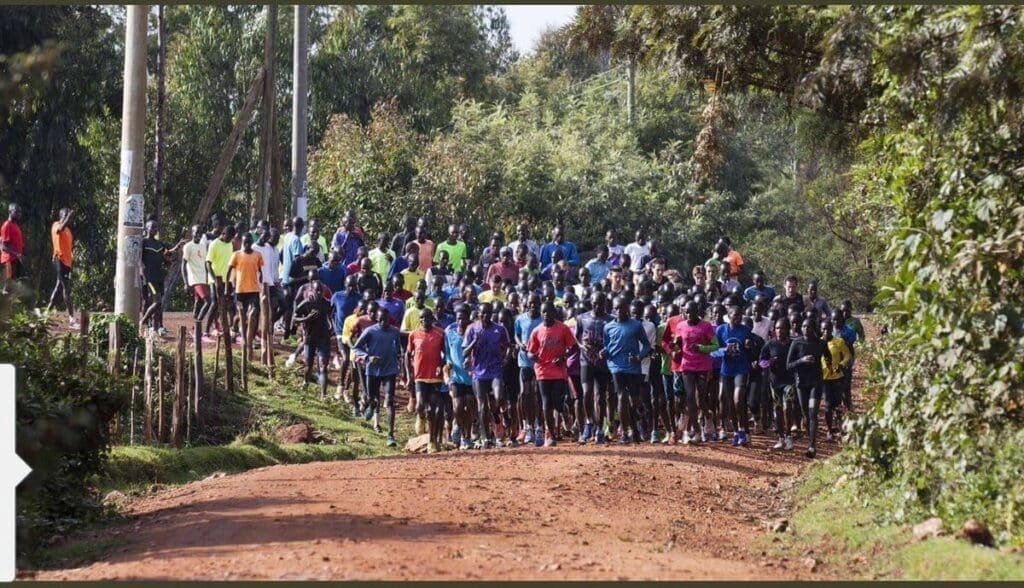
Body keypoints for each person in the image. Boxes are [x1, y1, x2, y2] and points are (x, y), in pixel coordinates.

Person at [526, 301, 578, 447]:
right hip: (542, 371)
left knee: (557, 402)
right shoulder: (537, 331)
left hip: (558, 370)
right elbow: (530, 351)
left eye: (549, 312)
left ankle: (564, 411)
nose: (546, 315)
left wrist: (563, 358)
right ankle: (551, 433)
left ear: (554, 313)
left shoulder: (563, 328)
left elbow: (573, 347)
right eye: (544, 312)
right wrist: (532, 356)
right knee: (546, 402)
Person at [668, 301, 719, 444]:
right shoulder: (681, 326)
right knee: (689, 397)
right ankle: (696, 431)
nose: (689, 315)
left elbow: (716, 345)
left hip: (703, 366)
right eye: (687, 312)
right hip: (687, 365)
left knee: (701, 399)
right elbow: (678, 344)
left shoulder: (706, 326)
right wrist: (674, 347)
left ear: (698, 311)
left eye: (692, 312)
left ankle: (708, 417)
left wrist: (702, 348)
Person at [602, 295, 651, 444]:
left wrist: (639, 357)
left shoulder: (635, 325)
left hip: (633, 368)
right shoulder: (608, 327)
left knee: (633, 402)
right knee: (622, 397)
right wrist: (603, 352)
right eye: (616, 308)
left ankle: (635, 430)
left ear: (627, 308)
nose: (619, 311)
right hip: (616, 367)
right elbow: (607, 346)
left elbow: (647, 345)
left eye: (622, 308)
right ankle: (625, 432)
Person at [463, 302, 510, 449]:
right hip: (478, 372)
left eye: (489, 313)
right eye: (483, 313)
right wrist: (475, 341)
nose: (486, 316)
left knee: (499, 397)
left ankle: (503, 414)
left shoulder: (499, 329)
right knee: (482, 406)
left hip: (495, 369)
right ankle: (485, 437)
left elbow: (508, 346)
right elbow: (464, 352)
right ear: (478, 314)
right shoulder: (472, 329)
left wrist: (506, 358)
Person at [353, 307, 403, 447]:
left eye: (385, 320)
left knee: (390, 401)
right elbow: (356, 348)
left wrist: (398, 357)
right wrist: (368, 357)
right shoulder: (370, 331)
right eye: (380, 320)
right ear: (377, 319)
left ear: (389, 319)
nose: (383, 322)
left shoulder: (394, 331)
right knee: (372, 398)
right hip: (373, 370)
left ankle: (390, 435)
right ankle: (371, 404)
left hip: (390, 370)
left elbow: (398, 347)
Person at [710, 306, 758, 446]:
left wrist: (749, 346)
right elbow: (713, 351)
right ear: (728, 316)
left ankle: (743, 430)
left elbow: (752, 350)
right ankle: (736, 431)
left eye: (739, 316)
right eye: (734, 315)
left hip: (741, 369)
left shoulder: (746, 330)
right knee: (729, 402)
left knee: (738, 400)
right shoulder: (721, 330)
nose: (737, 318)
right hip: (726, 370)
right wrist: (724, 350)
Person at [407, 308, 447, 453]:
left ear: (432, 318)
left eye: (427, 317)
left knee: (433, 410)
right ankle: (420, 416)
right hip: (419, 376)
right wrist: (408, 375)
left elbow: (445, 354)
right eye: (422, 318)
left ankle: (431, 441)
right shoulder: (413, 335)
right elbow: (407, 354)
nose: (425, 320)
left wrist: (441, 365)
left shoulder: (440, 334)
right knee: (420, 405)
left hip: (434, 377)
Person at [786, 317, 827, 458]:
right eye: (803, 326)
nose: (805, 329)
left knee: (813, 413)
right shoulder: (796, 343)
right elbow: (789, 365)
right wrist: (801, 360)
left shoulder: (821, 344)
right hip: (801, 383)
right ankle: (809, 436)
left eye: (808, 326)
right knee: (805, 413)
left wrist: (831, 366)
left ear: (813, 328)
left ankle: (812, 445)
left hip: (816, 382)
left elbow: (828, 357)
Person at [577, 292, 613, 443]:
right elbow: (577, 337)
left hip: (602, 363)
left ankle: (599, 428)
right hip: (586, 361)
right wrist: (582, 347)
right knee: (587, 393)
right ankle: (589, 422)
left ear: (605, 303)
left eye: (601, 303)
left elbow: (614, 340)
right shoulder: (582, 318)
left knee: (601, 397)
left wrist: (606, 350)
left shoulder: (610, 320)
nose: (597, 306)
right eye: (595, 303)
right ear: (590, 302)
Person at [140, 220, 186, 336]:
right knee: (156, 301)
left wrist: (178, 246)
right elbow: (138, 257)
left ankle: (155, 328)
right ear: (146, 228)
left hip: (158, 277)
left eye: (155, 228)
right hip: (149, 277)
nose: (153, 229)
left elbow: (167, 254)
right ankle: (143, 322)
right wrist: (141, 269)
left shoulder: (159, 244)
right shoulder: (143, 242)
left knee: (158, 304)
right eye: (151, 227)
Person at [292, 278, 333, 400]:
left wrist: (331, 327)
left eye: (321, 291)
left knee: (323, 366)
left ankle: (323, 395)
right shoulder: (306, 304)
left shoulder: (326, 304)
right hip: (310, 338)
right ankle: (305, 382)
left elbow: (329, 318)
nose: (319, 293)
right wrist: (306, 318)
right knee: (309, 366)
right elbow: (295, 318)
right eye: (317, 291)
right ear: (312, 290)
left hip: (323, 338)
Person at [443, 303, 476, 450]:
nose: (460, 322)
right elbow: (447, 353)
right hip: (456, 376)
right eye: (458, 319)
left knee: (469, 406)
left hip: (471, 376)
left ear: (468, 318)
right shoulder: (449, 332)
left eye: (463, 318)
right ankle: (458, 425)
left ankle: (466, 437)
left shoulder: (474, 332)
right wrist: (448, 366)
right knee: (457, 408)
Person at [760, 317, 795, 451]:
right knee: (778, 409)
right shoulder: (770, 344)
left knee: (788, 407)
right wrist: (769, 363)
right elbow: (761, 361)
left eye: (782, 328)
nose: (779, 331)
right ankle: (780, 438)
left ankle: (789, 436)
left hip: (789, 381)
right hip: (774, 382)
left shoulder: (793, 344)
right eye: (777, 328)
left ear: (788, 329)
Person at [514, 293, 544, 445]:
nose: (533, 305)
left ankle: (539, 426)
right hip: (524, 362)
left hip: (540, 362)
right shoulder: (520, 319)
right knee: (525, 394)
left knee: (538, 395)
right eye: (531, 303)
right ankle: (527, 426)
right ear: (527, 304)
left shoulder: (543, 320)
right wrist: (520, 345)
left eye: (536, 303)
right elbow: (517, 335)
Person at [227, 232, 265, 338]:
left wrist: (261, 283)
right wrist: (227, 287)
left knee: (254, 312)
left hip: (253, 290)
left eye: (249, 242)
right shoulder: (237, 255)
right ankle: (234, 328)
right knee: (241, 313)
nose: (247, 244)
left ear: (252, 242)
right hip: (240, 291)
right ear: (242, 242)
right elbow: (229, 270)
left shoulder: (257, 255)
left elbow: (260, 271)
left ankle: (249, 337)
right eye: (245, 242)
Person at [820, 317, 852, 442]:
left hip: (838, 377)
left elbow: (847, 355)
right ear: (821, 330)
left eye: (828, 329)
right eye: (823, 329)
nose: (826, 332)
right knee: (828, 406)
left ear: (831, 329)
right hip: (824, 379)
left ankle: (840, 428)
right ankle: (829, 431)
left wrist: (841, 365)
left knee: (838, 404)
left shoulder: (839, 342)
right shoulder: (818, 343)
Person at [181, 225, 212, 340]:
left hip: (203, 278)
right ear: (192, 233)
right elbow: (183, 264)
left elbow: (205, 263)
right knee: (208, 301)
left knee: (198, 303)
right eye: (196, 232)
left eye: (200, 232)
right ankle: (197, 328)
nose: (198, 234)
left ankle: (194, 329)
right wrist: (185, 282)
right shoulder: (188, 246)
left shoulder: (203, 246)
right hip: (195, 279)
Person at [46, 208, 76, 326]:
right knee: (66, 289)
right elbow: (60, 229)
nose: (67, 216)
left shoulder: (68, 230)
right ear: (61, 215)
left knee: (58, 288)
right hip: (59, 259)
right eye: (65, 214)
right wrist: (68, 217)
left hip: (67, 263)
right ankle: (72, 319)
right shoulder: (56, 225)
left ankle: (46, 314)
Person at [331, 275, 360, 399]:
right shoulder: (337, 296)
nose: (352, 288)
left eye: (354, 286)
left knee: (354, 362)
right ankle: (340, 385)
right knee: (346, 357)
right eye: (349, 286)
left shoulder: (359, 298)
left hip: (354, 333)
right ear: (345, 285)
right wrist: (332, 326)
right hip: (340, 333)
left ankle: (347, 389)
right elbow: (330, 311)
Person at [1, 203, 24, 295]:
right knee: (9, 283)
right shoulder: (7, 225)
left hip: (15, 258)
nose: (19, 214)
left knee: (15, 284)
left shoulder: (16, 226)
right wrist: (16, 254)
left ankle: (9, 307)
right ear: (10, 212)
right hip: (9, 259)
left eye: (20, 212)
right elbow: (3, 247)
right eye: (16, 211)